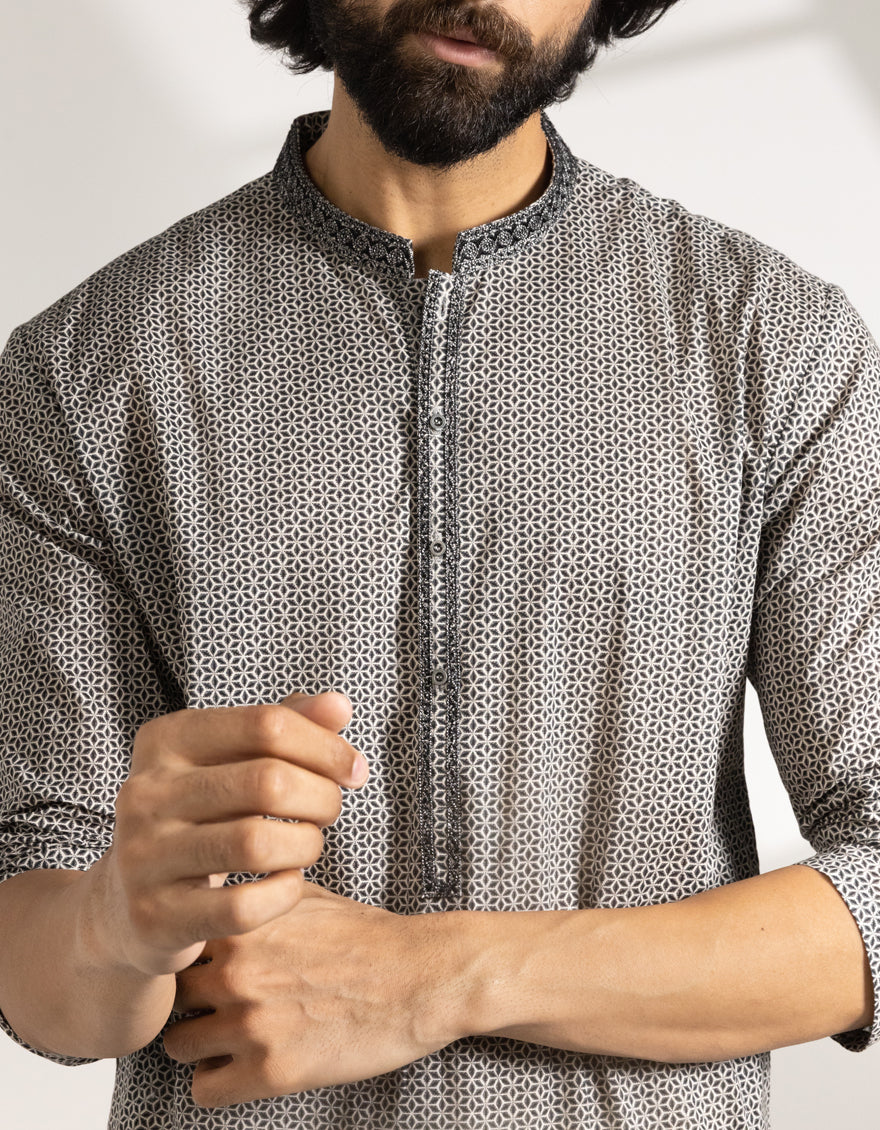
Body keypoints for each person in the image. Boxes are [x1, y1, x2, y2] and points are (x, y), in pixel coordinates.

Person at [0, 0, 877, 1127]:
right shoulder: (83, 374)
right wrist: (115, 920)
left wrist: (437, 977)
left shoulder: (771, 343)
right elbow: (36, 952)